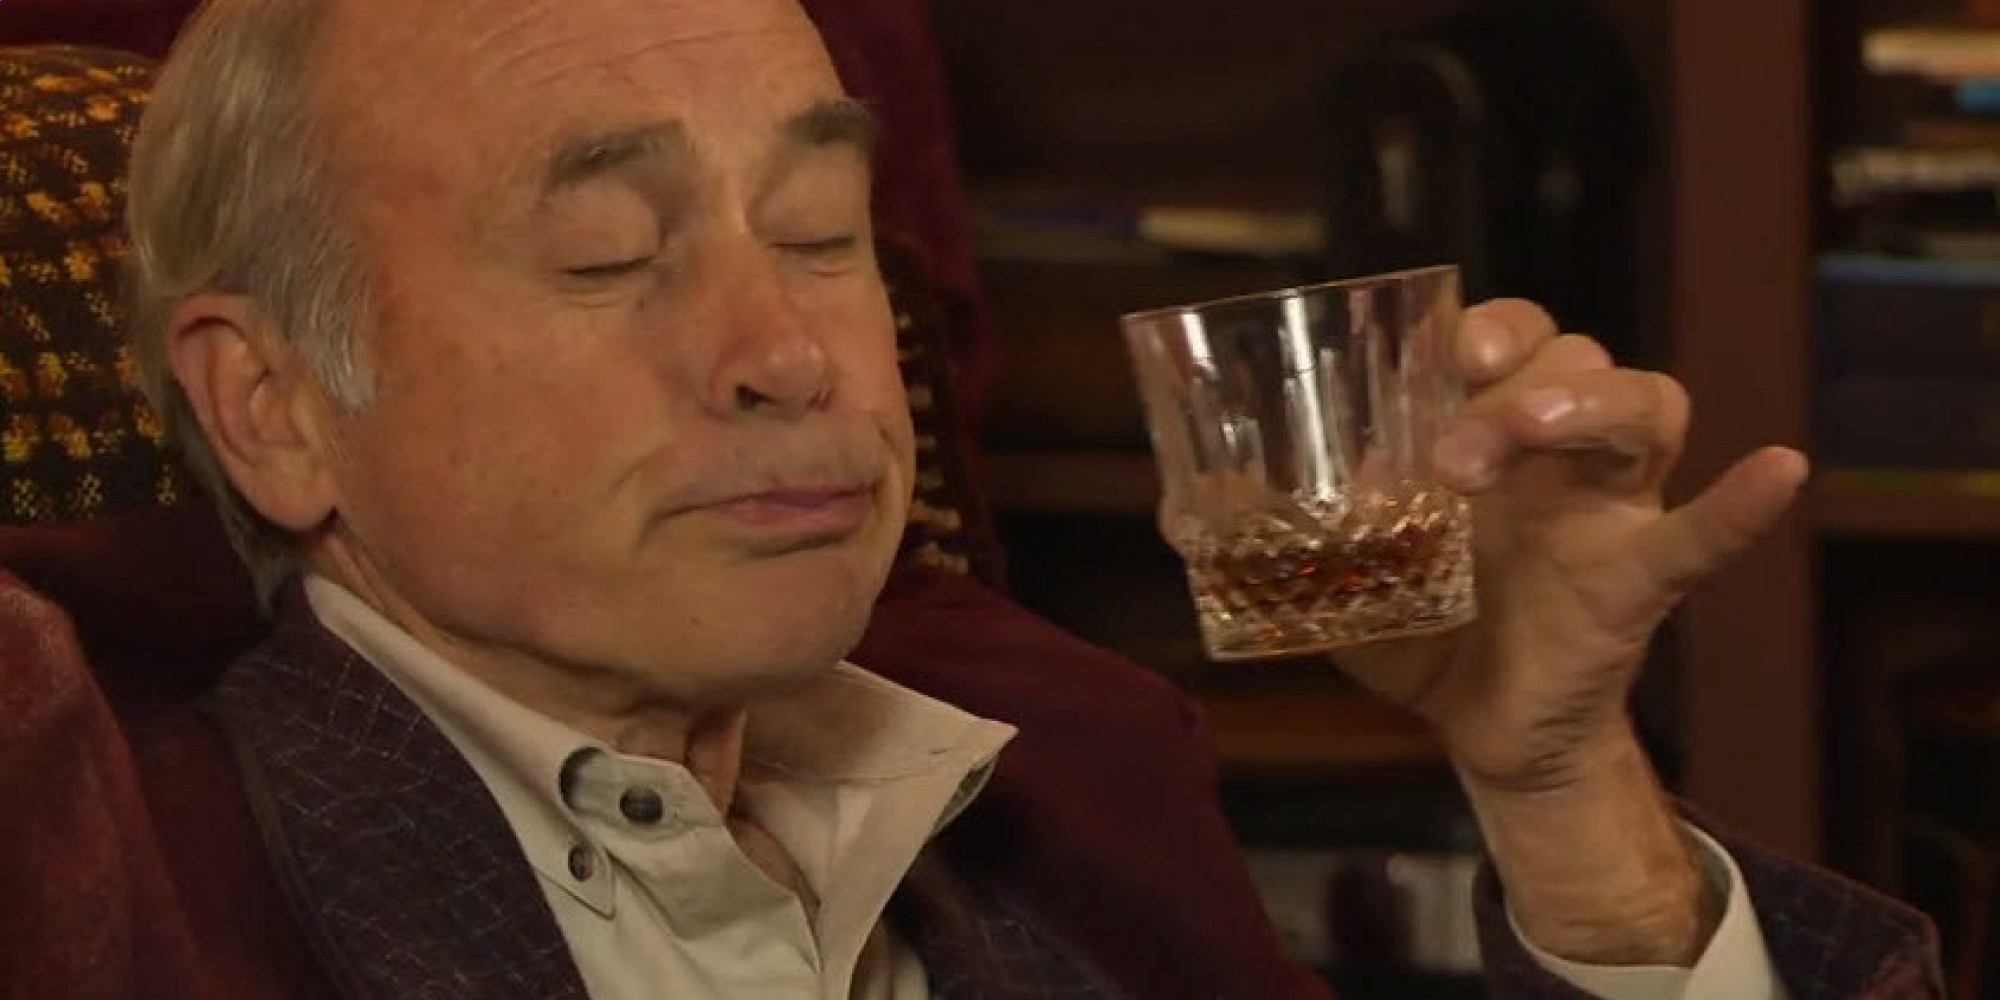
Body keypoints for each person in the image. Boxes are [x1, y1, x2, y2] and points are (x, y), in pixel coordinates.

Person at [113, 0, 1939, 997]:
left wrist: (1560, 796)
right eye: (607, 254)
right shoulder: (112, 894)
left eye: (820, 235)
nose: (792, 352)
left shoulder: (1083, 786)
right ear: (273, 409)